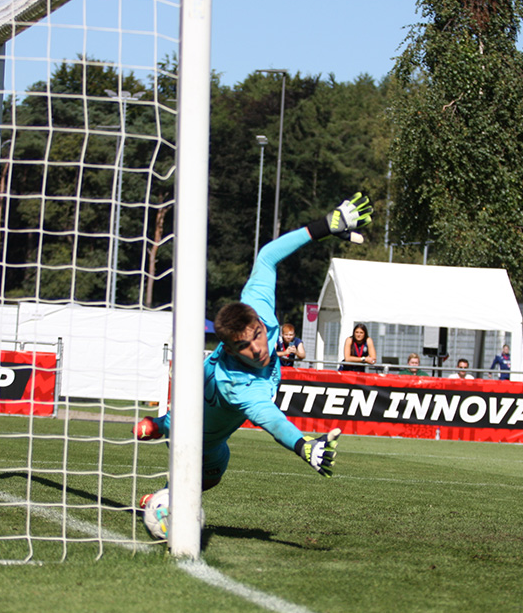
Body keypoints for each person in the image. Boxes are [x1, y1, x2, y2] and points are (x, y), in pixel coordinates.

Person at [133, 192, 374, 504]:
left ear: (259, 322)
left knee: (200, 449)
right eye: (244, 346)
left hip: (194, 414)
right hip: (199, 441)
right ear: (230, 351)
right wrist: (303, 445)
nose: (258, 348)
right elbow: (270, 418)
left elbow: (267, 256)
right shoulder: (237, 384)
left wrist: (324, 226)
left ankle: (157, 430)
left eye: (258, 334)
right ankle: (162, 481)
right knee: (210, 470)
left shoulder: (256, 306)